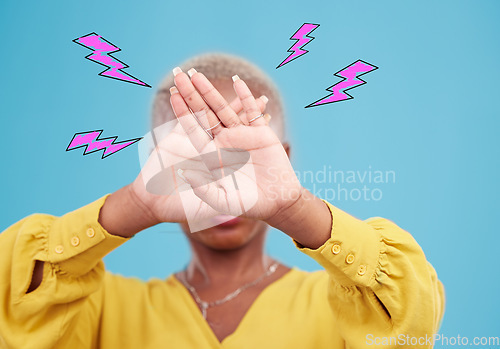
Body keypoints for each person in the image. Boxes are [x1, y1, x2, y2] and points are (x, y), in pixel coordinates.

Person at [0, 53, 445, 348]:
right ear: (156, 163)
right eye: (193, 156)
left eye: (244, 156)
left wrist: (292, 206)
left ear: (283, 160)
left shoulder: (339, 307)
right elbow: (16, 296)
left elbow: (415, 319)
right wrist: (136, 204)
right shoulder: (105, 311)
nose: (221, 182)